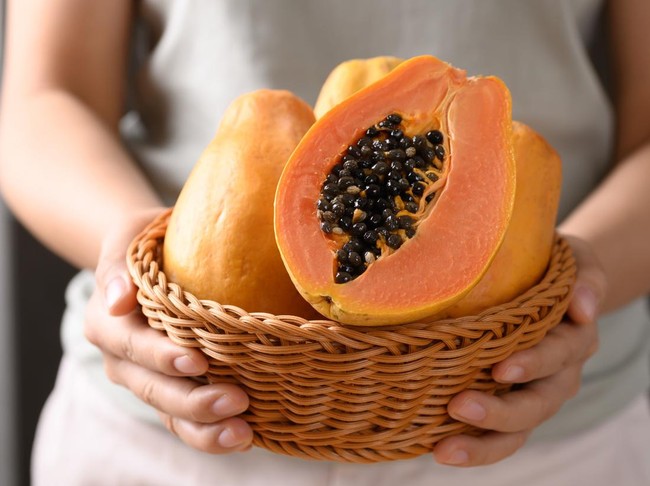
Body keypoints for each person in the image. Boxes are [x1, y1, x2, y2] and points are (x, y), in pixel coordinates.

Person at [1, 0, 649, 485]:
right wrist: (127, 251)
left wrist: (581, 286)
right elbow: (44, 97)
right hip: (171, 414)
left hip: (538, 422)